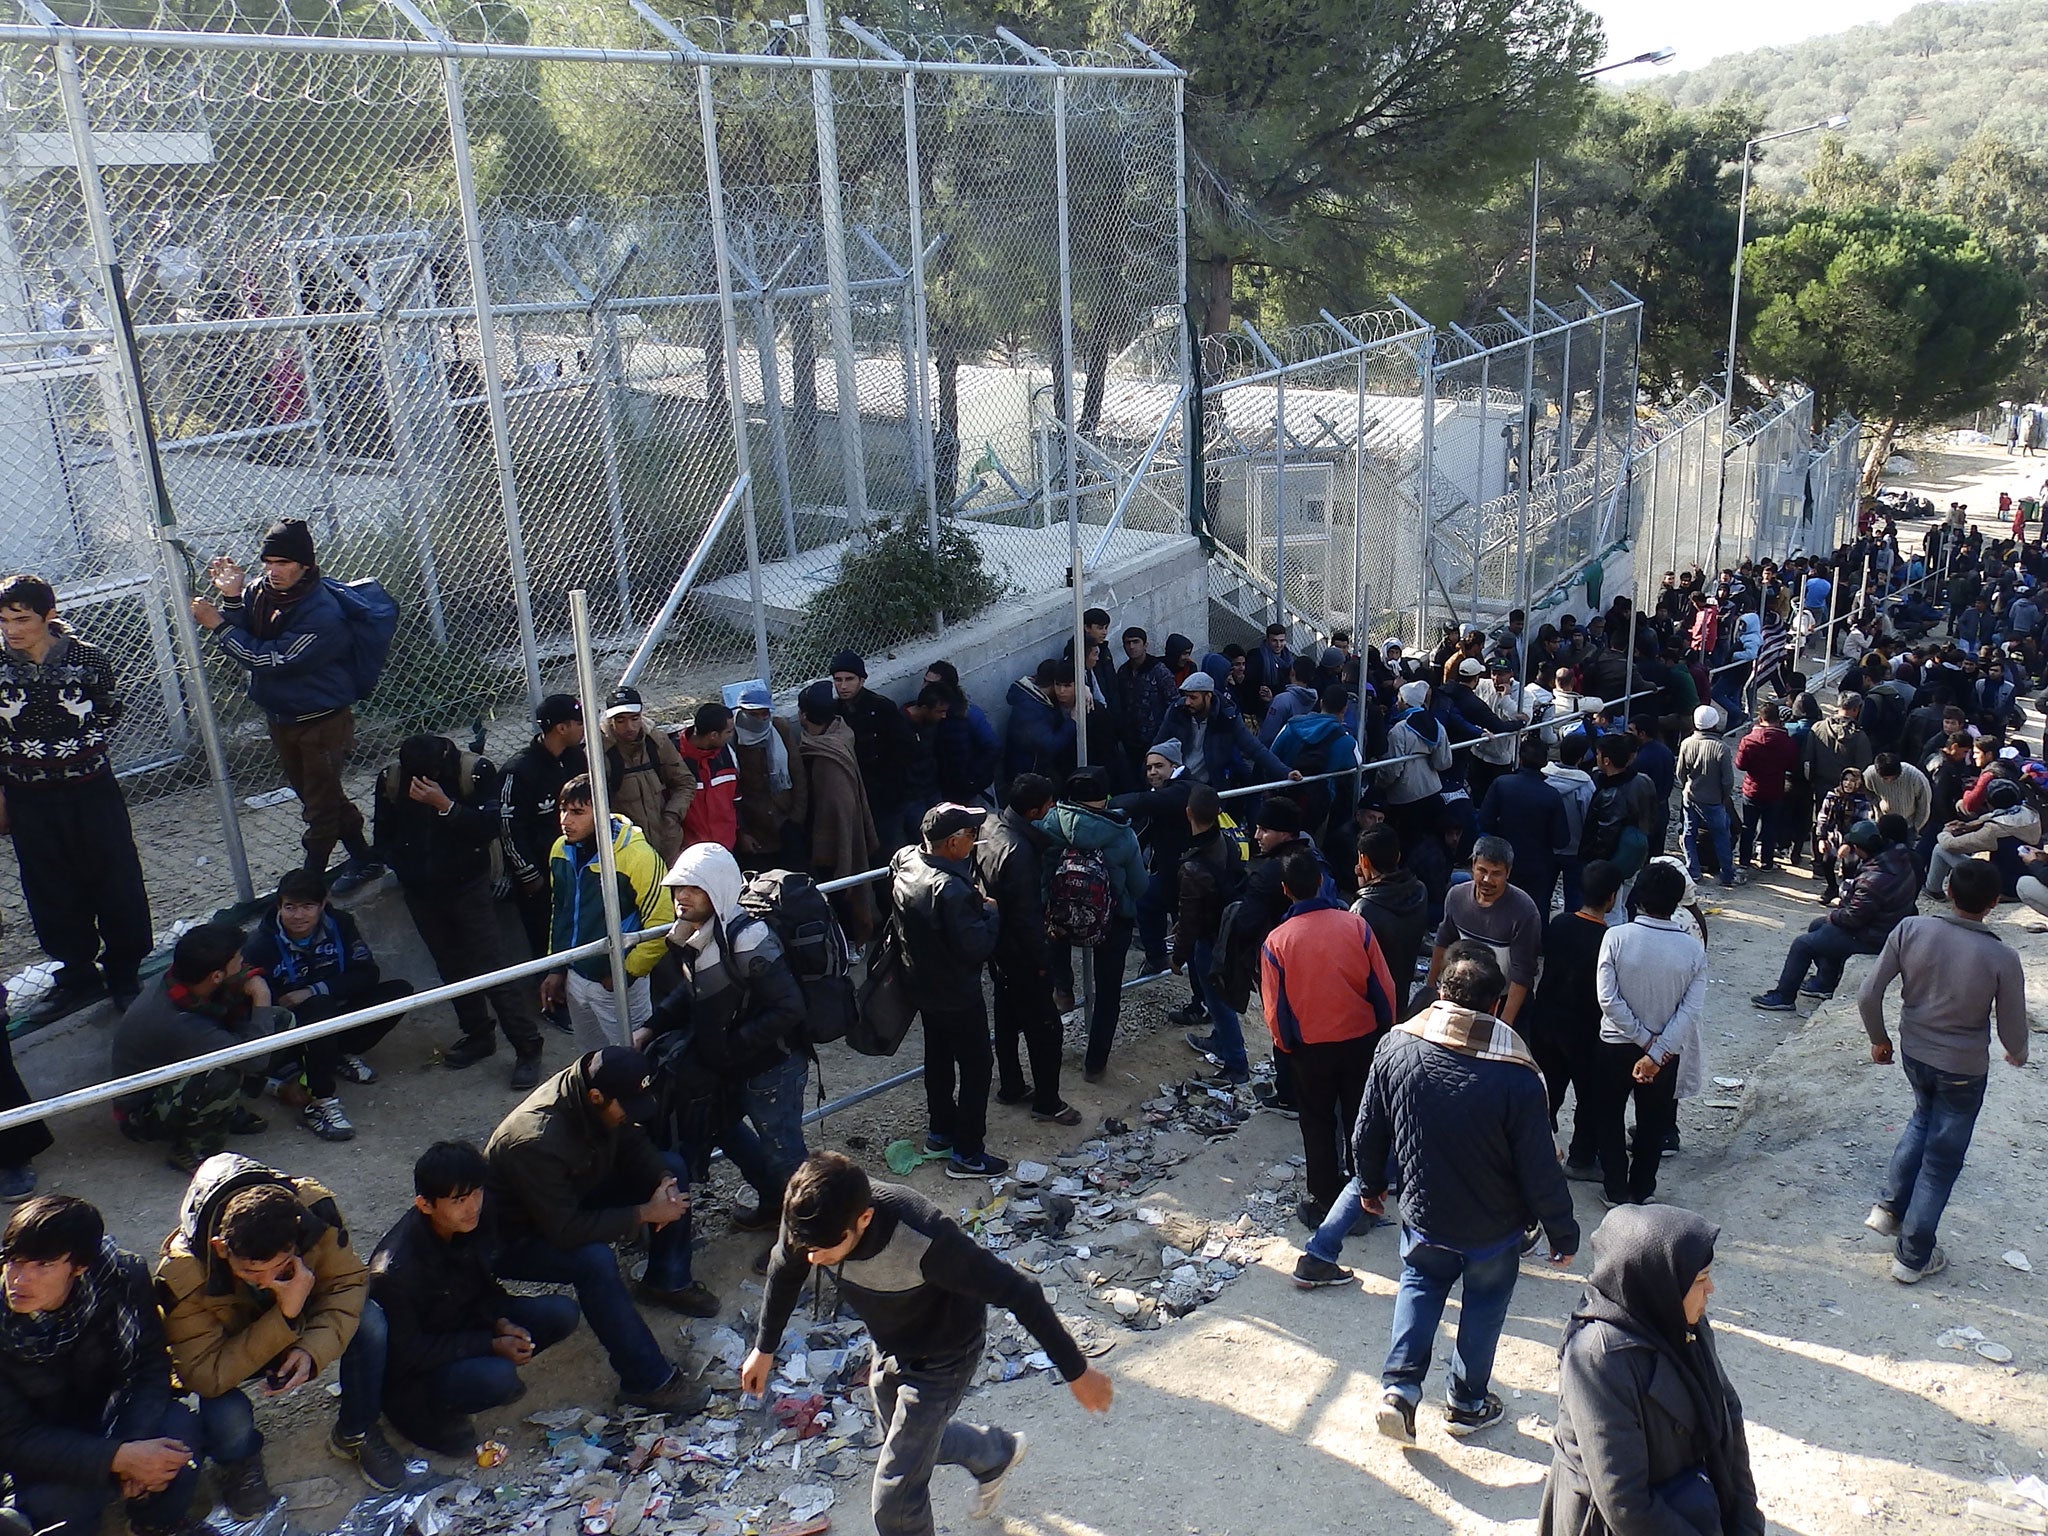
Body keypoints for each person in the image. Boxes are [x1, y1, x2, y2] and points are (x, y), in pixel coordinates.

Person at [742, 1153, 1113, 1536]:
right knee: (907, 1445)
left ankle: (989, 1456)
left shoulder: (924, 1238)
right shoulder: (808, 1212)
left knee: (896, 1501)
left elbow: (1021, 1293)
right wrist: (764, 1348)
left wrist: (1077, 1371)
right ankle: (994, 1454)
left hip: (945, 1353)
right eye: (806, 1249)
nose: (813, 1261)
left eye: (824, 1251)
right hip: (889, 1344)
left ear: (864, 1219)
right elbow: (785, 1269)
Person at [1355, 942, 1577, 1443]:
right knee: (1484, 1305)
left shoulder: (1395, 1045)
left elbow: (1368, 1129)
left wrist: (1370, 1185)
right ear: (1497, 1005)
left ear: (1438, 991)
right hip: (1494, 1231)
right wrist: (1563, 1232)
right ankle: (1466, 1403)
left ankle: (1400, 1392)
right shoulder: (1518, 1075)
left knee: (1419, 1286)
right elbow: (1540, 1169)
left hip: (1423, 1212)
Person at [155, 1155, 398, 1511]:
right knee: (224, 1405)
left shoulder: (314, 1213)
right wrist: (285, 1313)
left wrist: (311, 1350)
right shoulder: (182, 1275)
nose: (269, 1282)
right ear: (221, 1248)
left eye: (281, 1269)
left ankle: (356, 1432)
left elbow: (347, 1284)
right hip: (232, 1349)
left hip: (298, 1321)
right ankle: (238, 1463)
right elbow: (202, 1374)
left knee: (370, 1319)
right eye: (252, 1273)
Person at [484, 1047, 712, 1404]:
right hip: (517, 1234)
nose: (632, 1115)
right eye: (627, 1106)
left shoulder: (599, 1095)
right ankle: (647, 1381)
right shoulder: (535, 1140)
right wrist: (643, 1214)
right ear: (595, 1097)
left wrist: (662, 1178)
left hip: (573, 1189)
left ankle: (667, 1280)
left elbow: (630, 1138)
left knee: (673, 1167)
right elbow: (565, 1230)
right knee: (593, 1261)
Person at [1539, 1205, 1765, 1536]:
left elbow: (1727, 1415)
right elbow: (1625, 1503)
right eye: (1701, 1280)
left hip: (1688, 1503)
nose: (1711, 1290)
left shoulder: (1682, 1322)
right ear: (1657, 1282)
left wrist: (1746, 1521)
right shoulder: (1597, 1357)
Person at [191, 520, 385, 895]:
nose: (273, 570)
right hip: (284, 718)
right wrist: (232, 597)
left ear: (305, 566)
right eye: (268, 561)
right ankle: (365, 858)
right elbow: (246, 626)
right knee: (321, 795)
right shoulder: (263, 592)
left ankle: (307, 886)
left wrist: (218, 624)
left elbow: (270, 658)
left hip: (322, 722)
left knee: (320, 807)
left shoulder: (322, 612)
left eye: (283, 562)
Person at [1859, 857, 2028, 1284]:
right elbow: (2011, 1026)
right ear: (1993, 903)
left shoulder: (1911, 930)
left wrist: (1879, 1039)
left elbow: (1868, 994)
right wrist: (2017, 1052)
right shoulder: (2001, 956)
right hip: (1963, 1069)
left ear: (1948, 890)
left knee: (1921, 1119)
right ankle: (1912, 1257)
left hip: (1916, 1054)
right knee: (1941, 1160)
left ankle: (1889, 1208)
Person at [0, 1195, 212, 1536]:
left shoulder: (121, 1278)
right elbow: (13, 1439)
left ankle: (156, 1524)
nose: (20, 1280)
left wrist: (133, 1446)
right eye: (14, 1261)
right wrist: (118, 1458)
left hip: (113, 1416)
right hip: (45, 1448)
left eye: (43, 1266)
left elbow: (151, 1365)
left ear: (79, 1267)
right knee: (58, 1509)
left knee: (178, 1439)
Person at [0, 574, 152, 1022]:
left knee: (115, 877)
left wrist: (75, 753)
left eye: (21, 619)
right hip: (27, 797)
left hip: (90, 791)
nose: (11, 630)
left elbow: (108, 710)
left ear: (49, 616)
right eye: (3, 620)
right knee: (49, 886)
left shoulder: (88, 659)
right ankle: (76, 974)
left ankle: (125, 972)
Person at [368, 1141, 579, 1455]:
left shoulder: (473, 1219)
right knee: (500, 1379)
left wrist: (500, 1321)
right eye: (459, 1199)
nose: (473, 1206)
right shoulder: (395, 1271)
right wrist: (489, 1343)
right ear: (425, 1204)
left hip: (469, 1322)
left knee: (562, 1314)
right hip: (420, 1367)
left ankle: (479, 1376)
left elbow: (481, 1285)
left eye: (477, 1192)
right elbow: (410, 1352)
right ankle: (435, 1410)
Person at [645, 842, 810, 1234]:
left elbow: (790, 1008)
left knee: (785, 1154)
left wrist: (730, 1048)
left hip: (772, 1069)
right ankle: (774, 1206)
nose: (681, 897)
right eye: (678, 888)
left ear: (717, 890)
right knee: (727, 1129)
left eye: (693, 888)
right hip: (735, 1065)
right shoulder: (698, 932)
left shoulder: (750, 939)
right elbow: (693, 990)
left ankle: (805, 1241)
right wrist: (650, 1027)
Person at [375, 732, 547, 1087]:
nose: (421, 783)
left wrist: (445, 805)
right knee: (451, 969)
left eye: (429, 776)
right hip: (422, 892)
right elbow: (383, 836)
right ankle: (478, 1034)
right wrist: (406, 867)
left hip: (467, 887)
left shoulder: (474, 772)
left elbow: (488, 827)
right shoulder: (392, 779)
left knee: (493, 969)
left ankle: (527, 1046)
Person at [1261, 853, 1397, 1247]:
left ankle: (1323, 1199)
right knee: (1361, 1119)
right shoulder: (1356, 925)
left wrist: (1288, 1049)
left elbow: (1275, 1010)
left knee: (1317, 1124)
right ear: (1322, 881)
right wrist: (1385, 1031)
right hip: (1360, 1041)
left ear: (1285, 891)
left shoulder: (1277, 942)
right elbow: (1383, 988)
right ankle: (1365, 1199)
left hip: (1311, 1049)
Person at [240, 868, 412, 1142]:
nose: (298, 916)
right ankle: (320, 1102)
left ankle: (337, 1055)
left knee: (399, 992)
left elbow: (367, 973)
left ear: (323, 904)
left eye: (308, 906)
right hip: (291, 1029)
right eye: (290, 907)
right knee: (319, 1010)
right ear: (278, 907)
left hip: (331, 1009)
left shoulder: (340, 924)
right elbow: (252, 1008)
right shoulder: (259, 946)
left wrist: (313, 990)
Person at [890, 804, 1004, 1179]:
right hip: (956, 990)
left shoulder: (906, 860)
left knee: (937, 1058)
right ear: (953, 843)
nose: (975, 840)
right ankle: (968, 1153)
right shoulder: (950, 889)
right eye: (971, 835)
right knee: (976, 1066)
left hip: (921, 983)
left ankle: (940, 1132)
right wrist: (990, 913)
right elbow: (976, 946)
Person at [111, 924, 281, 1173]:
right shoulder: (180, 1023)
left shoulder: (182, 980)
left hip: (177, 1077)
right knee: (222, 1073)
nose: (243, 963)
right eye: (238, 960)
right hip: (144, 1111)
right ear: (216, 976)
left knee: (278, 1022)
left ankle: (223, 1111)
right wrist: (262, 996)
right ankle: (193, 1149)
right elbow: (255, 1062)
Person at [1594, 862, 1707, 1207]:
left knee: (1609, 1116)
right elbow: (1691, 1010)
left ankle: (1615, 1189)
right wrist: (1656, 1051)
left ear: (1639, 897)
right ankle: (1643, 1188)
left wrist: (1642, 1039)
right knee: (1652, 1121)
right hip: (1665, 1054)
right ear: (1677, 902)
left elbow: (1607, 998)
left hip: (1616, 1044)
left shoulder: (1616, 937)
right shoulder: (1692, 949)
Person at [539, 775, 675, 1045]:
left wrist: (625, 973)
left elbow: (662, 922)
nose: (566, 820)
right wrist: (557, 967)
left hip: (617, 982)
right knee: (592, 1057)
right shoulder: (559, 850)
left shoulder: (637, 856)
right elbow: (562, 911)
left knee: (634, 1058)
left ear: (601, 812)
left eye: (577, 812)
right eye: (562, 810)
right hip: (575, 978)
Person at [975, 775, 1077, 1127]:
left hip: (998, 948)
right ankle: (1048, 1102)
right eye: (1048, 805)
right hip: (1020, 952)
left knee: (1006, 1019)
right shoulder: (1019, 852)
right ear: (1034, 810)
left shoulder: (991, 825)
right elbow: (1026, 918)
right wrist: (1042, 964)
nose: (1052, 810)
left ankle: (1012, 1086)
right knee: (1045, 1028)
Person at [1037, 768, 1148, 1083]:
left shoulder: (1047, 824)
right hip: (1111, 922)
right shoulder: (1121, 832)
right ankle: (1095, 1064)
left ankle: (1064, 988)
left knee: (1053, 952)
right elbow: (1139, 887)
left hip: (1057, 917)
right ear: (1105, 798)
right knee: (1108, 992)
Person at [1752, 817, 1918, 1009]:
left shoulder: (1873, 879)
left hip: (1873, 936)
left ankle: (1784, 996)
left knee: (1803, 944)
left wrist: (1834, 915)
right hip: (1889, 926)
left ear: (1862, 848)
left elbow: (1853, 918)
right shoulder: (1899, 859)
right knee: (1817, 926)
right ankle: (1825, 982)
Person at [499, 693, 588, 961]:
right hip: (543, 877)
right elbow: (508, 828)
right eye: (579, 722)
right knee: (549, 944)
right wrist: (529, 875)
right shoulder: (519, 771)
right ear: (562, 728)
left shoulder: (577, 758)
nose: (584, 728)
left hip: (582, 867)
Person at [1176, 784, 1251, 1083]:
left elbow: (1188, 918)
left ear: (1188, 813)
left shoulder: (1193, 867)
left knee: (1218, 1001)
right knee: (1220, 996)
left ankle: (1236, 1063)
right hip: (1227, 927)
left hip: (1211, 937)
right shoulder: (1227, 842)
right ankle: (1220, 1042)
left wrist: (1177, 957)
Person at [796, 681, 881, 944]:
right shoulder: (840, 734)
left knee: (841, 895)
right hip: (837, 837)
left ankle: (851, 942)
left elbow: (837, 810)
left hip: (832, 847)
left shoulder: (825, 760)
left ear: (803, 715)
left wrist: (836, 851)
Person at [1425, 835, 1541, 1026]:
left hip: (1503, 1000)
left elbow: (1523, 972)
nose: (1487, 879)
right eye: (1482, 870)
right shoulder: (1456, 896)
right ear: (1473, 865)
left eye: (1496, 873)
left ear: (1508, 873)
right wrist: (1430, 988)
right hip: (1462, 999)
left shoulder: (1524, 912)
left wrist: (1505, 1022)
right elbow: (1443, 942)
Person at [830, 651, 917, 852]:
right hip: (854, 798)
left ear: (861, 680)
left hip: (886, 798)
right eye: (838, 680)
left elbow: (907, 747)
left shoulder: (881, 708)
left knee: (890, 850)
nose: (843, 686)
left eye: (849, 679)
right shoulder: (834, 712)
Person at [1156, 670, 1293, 791]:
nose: (1187, 702)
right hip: (1177, 786)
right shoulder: (1176, 712)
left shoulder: (1227, 717)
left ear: (1208, 696)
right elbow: (1157, 746)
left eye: (1193, 697)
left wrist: (1285, 772)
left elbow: (1255, 749)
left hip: (1210, 789)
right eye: (1186, 696)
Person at [1475, 734, 1570, 908]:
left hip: (1502, 859)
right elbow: (1561, 840)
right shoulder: (1551, 795)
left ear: (1520, 758)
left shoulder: (1501, 784)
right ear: (1544, 762)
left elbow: (1484, 821)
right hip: (1538, 866)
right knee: (1533, 912)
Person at [600, 685, 690, 866]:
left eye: (635, 718)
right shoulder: (598, 752)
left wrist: (672, 815)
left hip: (667, 843)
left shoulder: (657, 742)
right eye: (620, 720)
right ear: (610, 720)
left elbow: (685, 782)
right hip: (626, 851)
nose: (629, 727)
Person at [730, 682, 809, 870]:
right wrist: (741, 833)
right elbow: (731, 791)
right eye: (753, 714)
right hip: (755, 828)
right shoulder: (733, 737)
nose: (760, 719)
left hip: (785, 819)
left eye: (764, 713)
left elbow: (798, 774)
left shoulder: (779, 728)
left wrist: (797, 817)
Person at [1676, 705, 1743, 888]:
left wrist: (1687, 787)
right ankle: (1727, 875)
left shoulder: (1686, 743)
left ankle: (1693, 870)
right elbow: (1728, 780)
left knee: (1689, 832)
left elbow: (1680, 773)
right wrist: (1723, 797)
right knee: (1721, 836)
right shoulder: (1721, 748)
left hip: (1690, 796)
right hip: (1714, 800)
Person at [1735, 701, 1796, 871]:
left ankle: (1744, 860)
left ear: (1760, 718)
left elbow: (1740, 764)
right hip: (1775, 790)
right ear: (1778, 719)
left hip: (1752, 789)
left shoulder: (1748, 740)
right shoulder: (1787, 742)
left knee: (1748, 826)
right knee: (1770, 827)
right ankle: (1766, 862)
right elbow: (1791, 765)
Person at [676, 702, 740, 851]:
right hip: (691, 854)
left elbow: (736, 798)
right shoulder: (673, 757)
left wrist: (742, 833)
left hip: (726, 849)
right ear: (713, 735)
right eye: (729, 731)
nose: (732, 735)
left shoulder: (728, 753)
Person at [1115, 627, 1178, 757]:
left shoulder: (1159, 671)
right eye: (1128, 643)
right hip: (1130, 739)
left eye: (1136, 642)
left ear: (1145, 645)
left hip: (1156, 738)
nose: (1131, 647)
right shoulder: (1123, 671)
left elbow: (1173, 703)